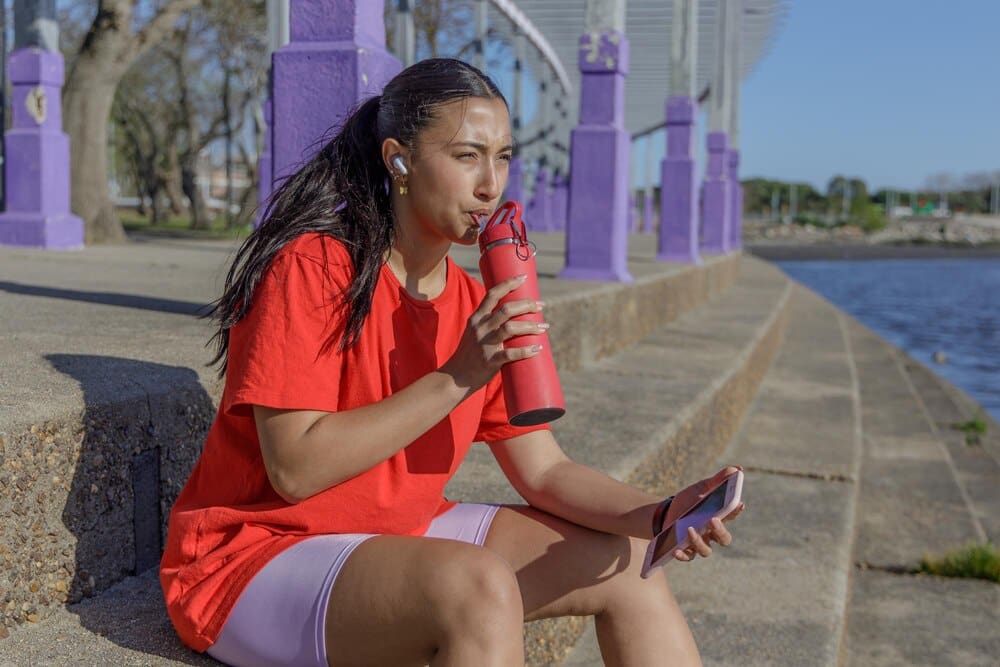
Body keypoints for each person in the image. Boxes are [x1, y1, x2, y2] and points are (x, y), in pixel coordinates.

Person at [160, 58, 744, 667]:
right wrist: (460, 374)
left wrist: (659, 514)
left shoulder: (471, 300)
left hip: (394, 538)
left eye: (503, 157)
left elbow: (543, 471)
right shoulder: (314, 269)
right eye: (468, 156)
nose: (492, 184)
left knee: (626, 564)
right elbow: (295, 469)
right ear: (399, 159)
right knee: (478, 589)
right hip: (259, 555)